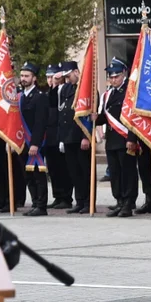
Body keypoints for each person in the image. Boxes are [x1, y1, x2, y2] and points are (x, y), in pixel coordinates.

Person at [97, 58, 138, 218]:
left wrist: (132, 139)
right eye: (111, 77)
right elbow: (106, 118)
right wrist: (96, 117)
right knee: (115, 173)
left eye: (116, 76)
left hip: (125, 139)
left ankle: (128, 203)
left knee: (127, 172)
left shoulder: (129, 92)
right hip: (112, 140)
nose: (113, 79)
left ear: (124, 74)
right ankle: (119, 200)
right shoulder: (108, 94)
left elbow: (134, 117)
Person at [57, 61, 91, 214]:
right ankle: (79, 201)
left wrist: (86, 136)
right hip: (68, 136)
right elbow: (60, 111)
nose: (67, 79)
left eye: (68, 75)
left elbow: (89, 114)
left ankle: (88, 202)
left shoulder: (87, 87)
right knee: (74, 172)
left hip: (80, 136)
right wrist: (62, 138)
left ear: (76, 72)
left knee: (84, 172)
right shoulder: (65, 88)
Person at [18, 62, 49, 217]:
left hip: (35, 143)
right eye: (22, 75)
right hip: (22, 143)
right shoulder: (19, 97)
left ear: (34, 78)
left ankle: (41, 206)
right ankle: (34, 202)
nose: (23, 78)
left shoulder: (40, 97)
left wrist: (35, 143)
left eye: (27, 76)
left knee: (38, 175)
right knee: (28, 176)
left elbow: (40, 123)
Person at [43, 63, 73, 210]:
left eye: (53, 77)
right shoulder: (49, 92)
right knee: (53, 169)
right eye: (48, 77)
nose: (50, 80)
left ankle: (66, 197)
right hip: (50, 136)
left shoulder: (64, 91)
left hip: (60, 135)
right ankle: (57, 196)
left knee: (63, 169)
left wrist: (56, 85)